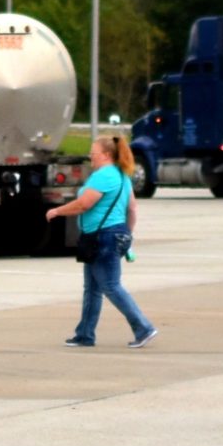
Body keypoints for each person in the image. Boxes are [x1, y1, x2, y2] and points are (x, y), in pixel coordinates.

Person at [45, 135, 157, 349]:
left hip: (102, 238)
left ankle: (143, 328)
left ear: (106, 155)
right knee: (92, 288)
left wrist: (57, 211)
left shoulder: (104, 176)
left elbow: (83, 205)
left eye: (93, 153)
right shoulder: (123, 176)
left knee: (111, 287)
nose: (91, 157)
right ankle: (85, 334)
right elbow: (132, 209)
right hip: (111, 236)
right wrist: (127, 236)